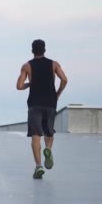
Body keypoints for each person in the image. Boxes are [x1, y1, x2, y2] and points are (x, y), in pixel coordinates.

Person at [16, 39, 68, 179]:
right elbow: (64, 80)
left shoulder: (27, 66)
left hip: (34, 104)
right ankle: (48, 150)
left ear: (32, 50)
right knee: (49, 132)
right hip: (50, 103)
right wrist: (57, 94)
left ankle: (38, 166)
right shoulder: (54, 64)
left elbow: (19, 86)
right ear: (44, 50)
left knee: (35, 135)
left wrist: (29, 84)